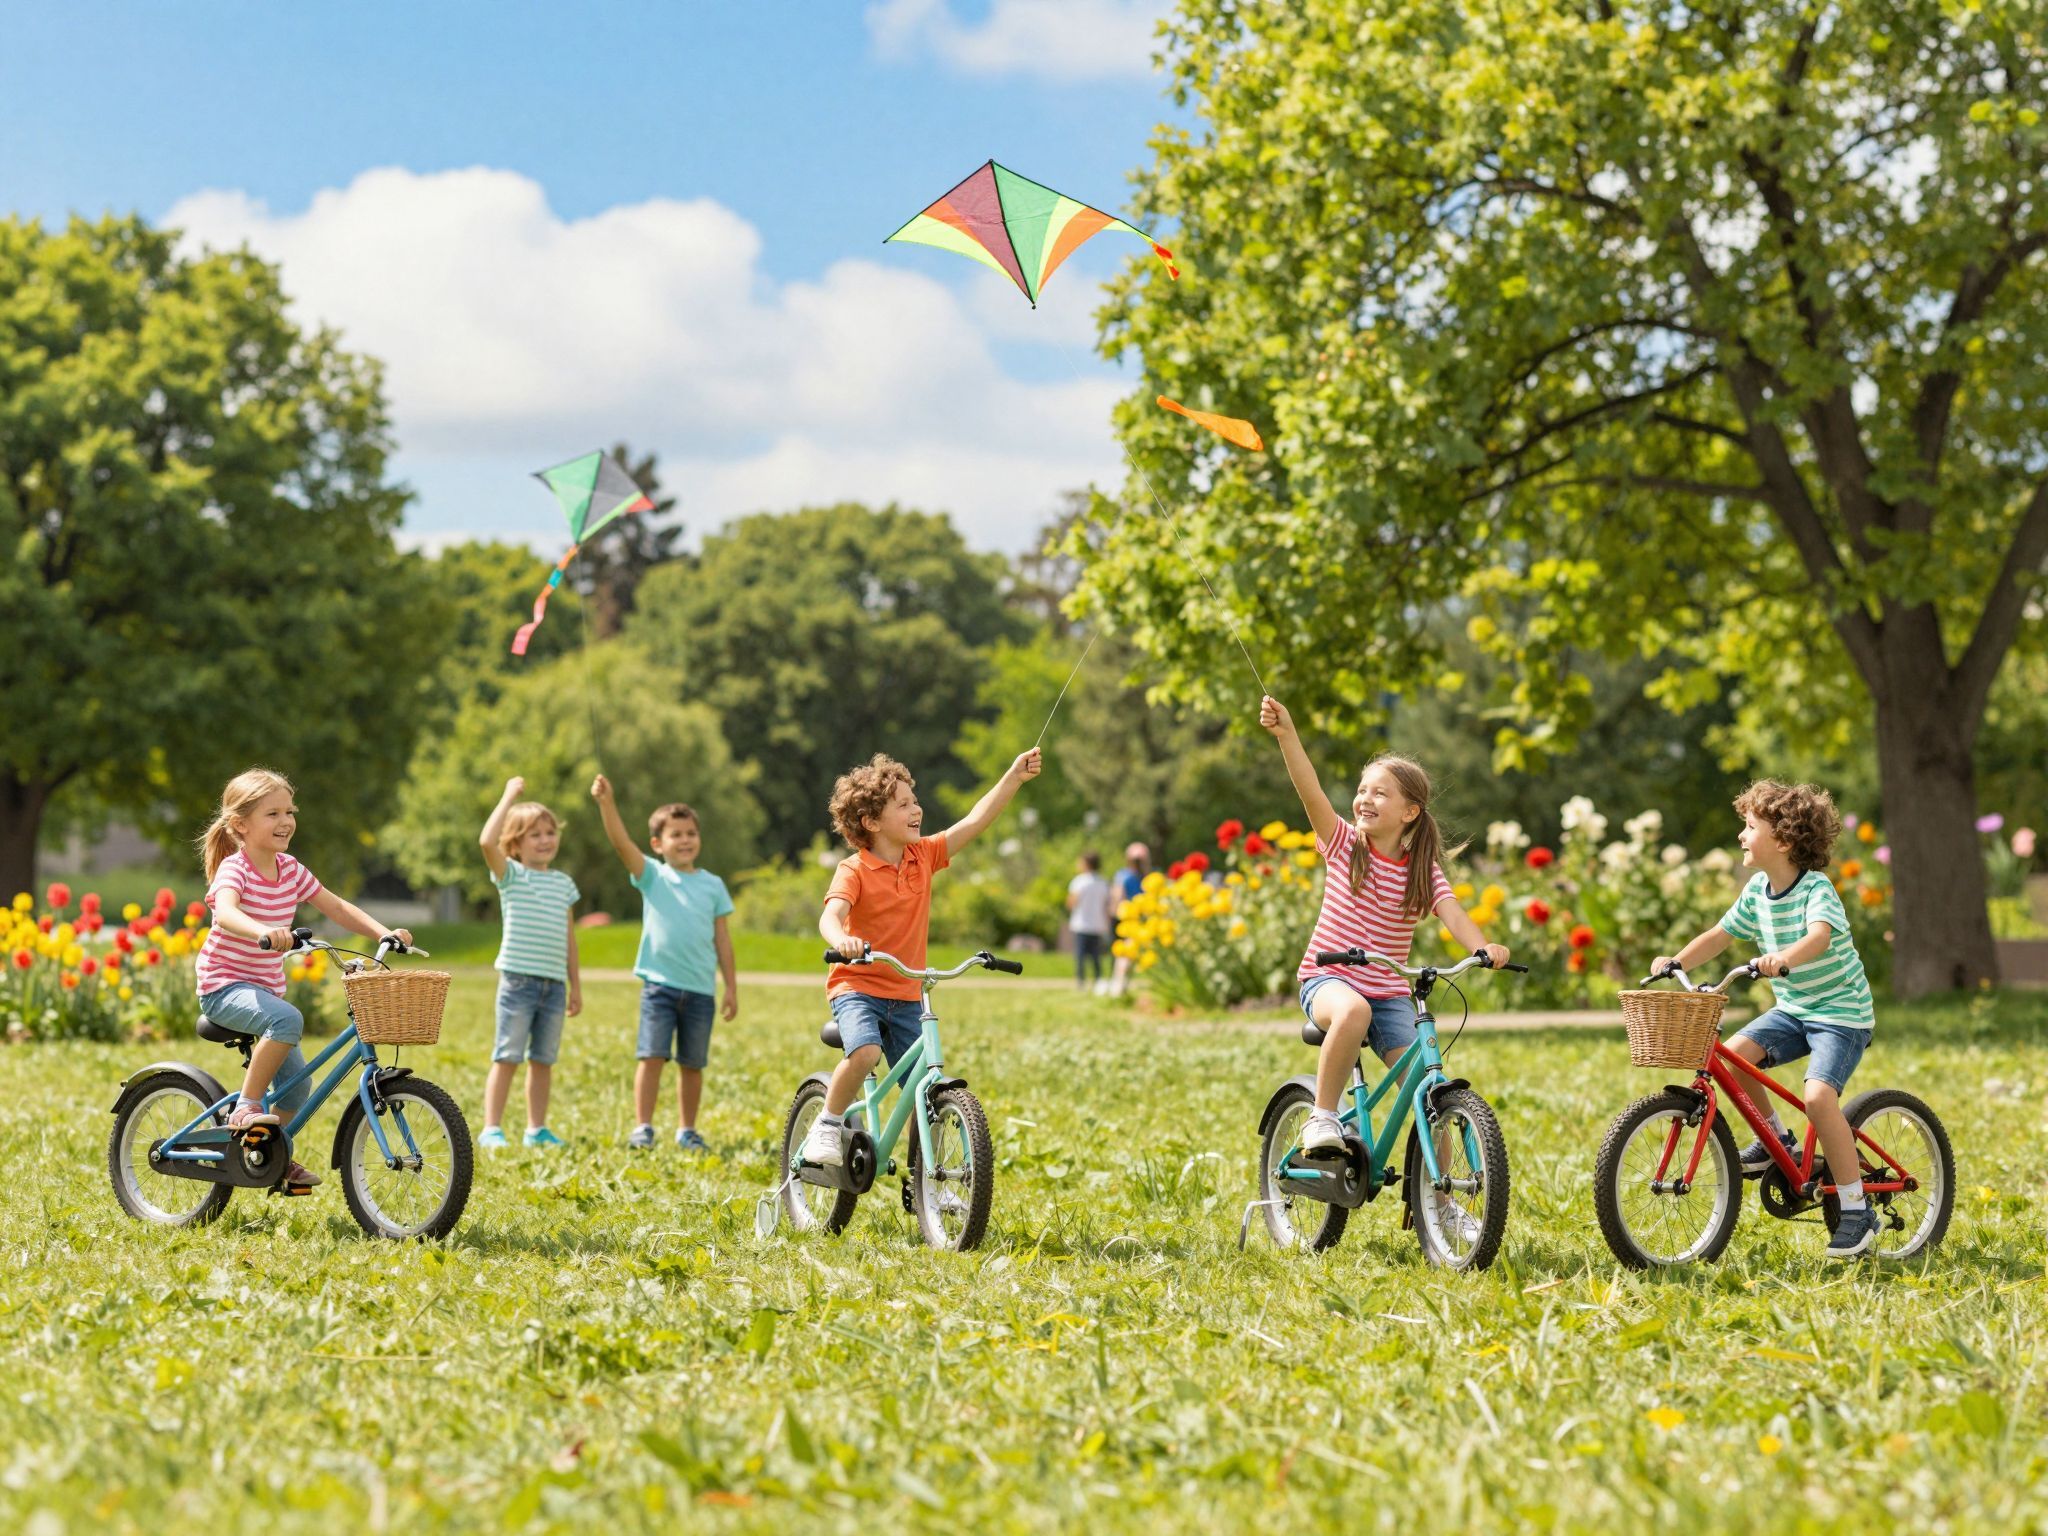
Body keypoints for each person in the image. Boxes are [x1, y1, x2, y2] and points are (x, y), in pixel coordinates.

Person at [1258, 696, 1507, 1166]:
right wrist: (1287, 734)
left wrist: (1482, 947)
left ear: (1410, 811)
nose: (1364, 799)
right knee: (1352, 1011)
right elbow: (1310, 790)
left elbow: (1452, 912)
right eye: (1362, 789)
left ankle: (1443, 1202)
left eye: (1379, 793)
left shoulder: (1421, 868)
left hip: (1389, 993)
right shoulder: (1344, 844)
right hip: (1328, 981)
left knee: (1431, 1090)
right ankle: (1323, 1116)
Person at [1652, 780, 1879, 1258]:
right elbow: (1720, 933)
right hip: (1795, 1010)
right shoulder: (1758, 890)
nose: (1741, 835)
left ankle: (1858, 1210)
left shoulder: (1815, 888)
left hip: (1842, 1014)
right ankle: (1778, 1139)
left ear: (1783, 841)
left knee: (1819, 1097)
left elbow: (1819, 936)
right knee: (1732, 1056)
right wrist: (1678, 961)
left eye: (1750, 827)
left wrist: (1783, 957)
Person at [801, 748, 1041, 1166]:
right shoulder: (853, 870)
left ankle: (927, 1176)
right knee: (865, 1054)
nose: (917, 809)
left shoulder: (924, 856)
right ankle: (827, 1122)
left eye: (915, 801)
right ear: (871, 822)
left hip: (908, 992)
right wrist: (842, 940)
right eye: (904, 804)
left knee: (926, 1089)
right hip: (857, 986)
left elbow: (976, 820)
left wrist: (1013, 778)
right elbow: (831, 917)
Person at [193, 767, 415, 1190]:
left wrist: (382, 932)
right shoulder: (234, 870)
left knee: (297, 1091)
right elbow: (225, 911)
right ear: (241, 825)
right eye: (272, 813)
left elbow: (337, 907)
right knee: (289, 1020)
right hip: (223, 987)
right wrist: (262, 930)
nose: (286, 821)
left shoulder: (290, 870)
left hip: (263, 991)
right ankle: (246, 1108)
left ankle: (271, 1155)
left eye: (289, 811)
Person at [592, 774, 737, 1154]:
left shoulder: (713, 885)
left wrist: (731, 988)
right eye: (676, 834)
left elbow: (722, 939)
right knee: (652, 1057)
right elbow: (622, 844)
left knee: (692, 1064)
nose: (685, 839)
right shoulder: (652, 875)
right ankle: (643, 1127)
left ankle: (687, 1130)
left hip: (702, 991)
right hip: (659, 987)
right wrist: (608, 803)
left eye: (691, 832)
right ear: (658, 844)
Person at [477, 776, 581, 1151]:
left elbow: (569, 937)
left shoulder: (564, 884)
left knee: (543, 1060)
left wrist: (575, 986)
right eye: (534, 834)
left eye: (550, 832)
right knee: (507, 1056)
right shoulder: (511, 876)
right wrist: (509, 795)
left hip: (554, 986)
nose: (545, 839)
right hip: (518, 982)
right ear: (516, 844)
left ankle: (536, 1129)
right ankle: (492, 1128)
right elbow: (486, 841)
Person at [1065, 850, 1115, 991]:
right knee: (1096, 956)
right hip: (1098, 924)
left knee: (1080, 955)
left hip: (1081, 924)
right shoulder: (1103, 882)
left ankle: (1081, 982)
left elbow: (1071, 903)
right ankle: (1098, 981)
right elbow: (1107, 904)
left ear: (1086, 864)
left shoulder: (1079, 881)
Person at [1106, 842, 1149, 996]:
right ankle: (1121, 985)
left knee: (1120, 954)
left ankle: (1117, 985)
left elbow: (1117, 896)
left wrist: (1111, 913)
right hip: (1137, 919)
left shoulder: (1123, 875)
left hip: (1122, 917)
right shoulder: (1144, 877)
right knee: (1129, 954)